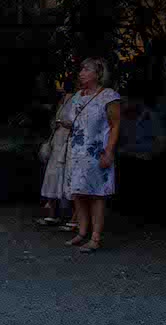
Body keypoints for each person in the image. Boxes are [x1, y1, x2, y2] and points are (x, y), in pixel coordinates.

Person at [64, 57, 121, 252]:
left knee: (97, 194)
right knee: (78, 193)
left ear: (98, 74)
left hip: (97, 152)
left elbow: (115, 126)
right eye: (81, 70)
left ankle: (95, 237)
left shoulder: (108, 96)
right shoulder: (78, 97)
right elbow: (73, 122)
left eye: (86, 70)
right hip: (78, 151)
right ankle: (82, 232)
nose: (81, 73)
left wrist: (109, 151)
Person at [37, 84, 78, 227]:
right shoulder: (64, 99)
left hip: (70, 141)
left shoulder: (81, 99)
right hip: (58, 140)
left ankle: (74, 216)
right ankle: (53, 211)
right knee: (54, 175)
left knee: (69, 176)